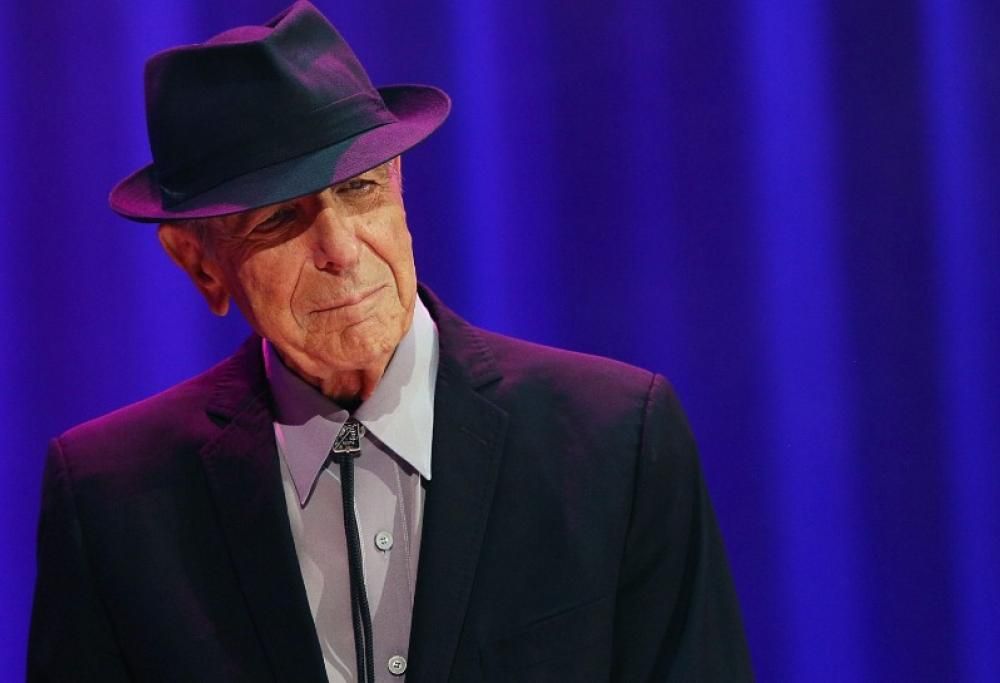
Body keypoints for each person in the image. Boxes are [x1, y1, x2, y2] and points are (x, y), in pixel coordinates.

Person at [27, 2, 752, 681]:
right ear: (200, 263)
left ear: (399, 183)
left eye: (360, 189)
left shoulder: (616, 440)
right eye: (279, 219)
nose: (341, 249)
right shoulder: (112, 499)